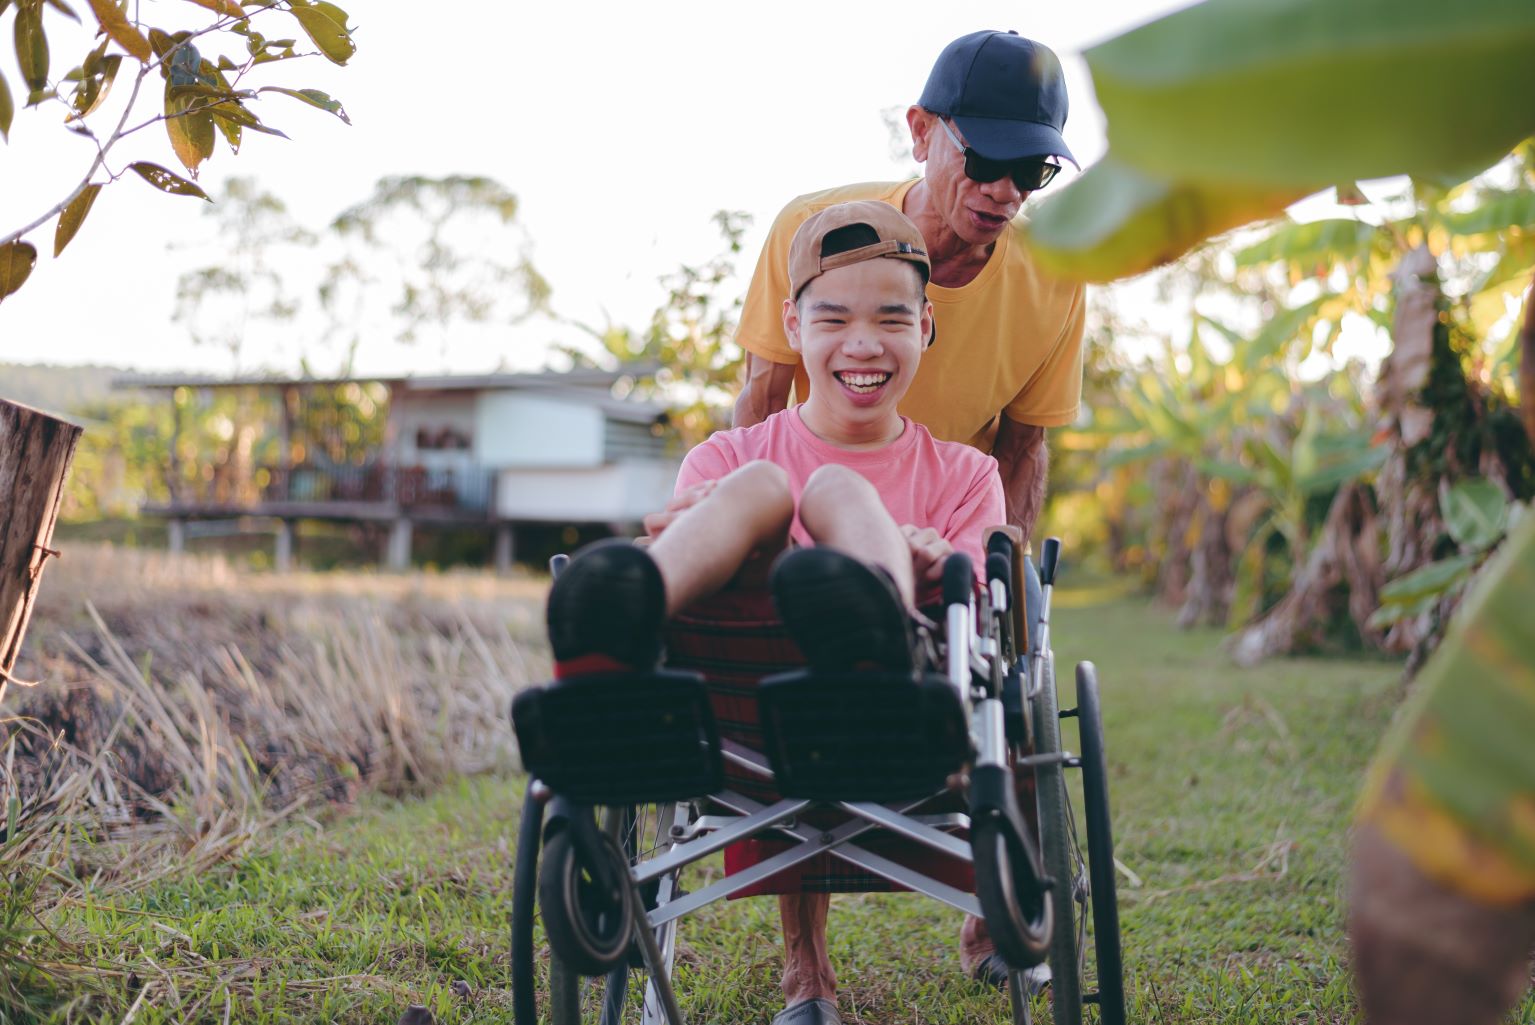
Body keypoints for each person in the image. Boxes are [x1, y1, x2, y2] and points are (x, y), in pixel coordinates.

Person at [547, 202, 1004, 1025]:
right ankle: (615, 630)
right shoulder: (727, 457)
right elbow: (734, 497)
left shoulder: (966, 473)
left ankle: (871, 632)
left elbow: (985, 603)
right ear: (792, 324)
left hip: (897, 703)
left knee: (835, 491)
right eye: (833, 319)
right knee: (758, 486)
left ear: (925, 328)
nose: (861, 343)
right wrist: (694, 528)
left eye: (890, 320)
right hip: (735, 715)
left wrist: (932, 554)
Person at [732, 29, 1086, 547]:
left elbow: (1022, 449)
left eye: (1033, 170)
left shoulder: (1055, 276)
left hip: (950, 529)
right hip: (813, 523)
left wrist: (1001, 587)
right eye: (984, 160)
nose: (1006, 191)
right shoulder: (812, 228)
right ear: (921, 133)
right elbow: (760, 406)